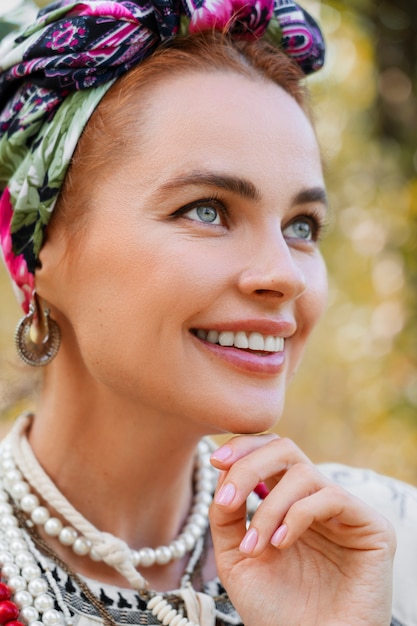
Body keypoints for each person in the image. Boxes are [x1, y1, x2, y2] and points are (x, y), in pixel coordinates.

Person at [0, 0, 405, 624]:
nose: (284, 276)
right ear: (40, 251)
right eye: (206, 210)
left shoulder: (381, 551)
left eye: (302, 225)